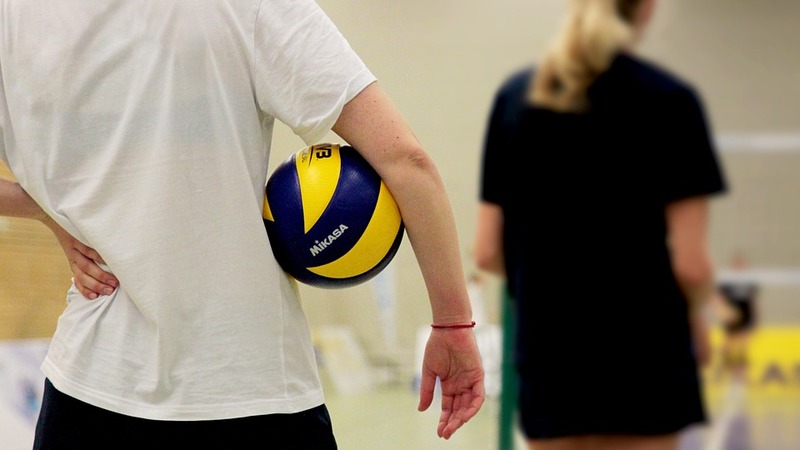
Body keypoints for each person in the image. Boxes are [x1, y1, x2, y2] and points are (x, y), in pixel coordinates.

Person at [0, 1, 485, 448]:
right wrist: (453, 323)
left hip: (88, 393)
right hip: (251, 391)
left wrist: (49, 212)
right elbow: (405, 160)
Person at [473, 0, 726, 449]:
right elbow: (692, 266)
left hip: (549, 354)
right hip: (647, 356)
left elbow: (488, 252)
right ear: (647, 8)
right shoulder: (671, 100)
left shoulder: (514, 98)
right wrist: (696, 314)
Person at [713, 251, 759, 381]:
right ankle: (726, 371)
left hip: (746, 316)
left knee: (743, 347)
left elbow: (753, 301)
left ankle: (741, 375)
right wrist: (723, 312)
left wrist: (754, 319)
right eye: (738, 264)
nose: (740, 267)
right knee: (727, 346)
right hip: (731, 316)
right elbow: (718, 298)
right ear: (733, 266)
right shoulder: (727, 281)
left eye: (742, 264)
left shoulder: (749, 282)